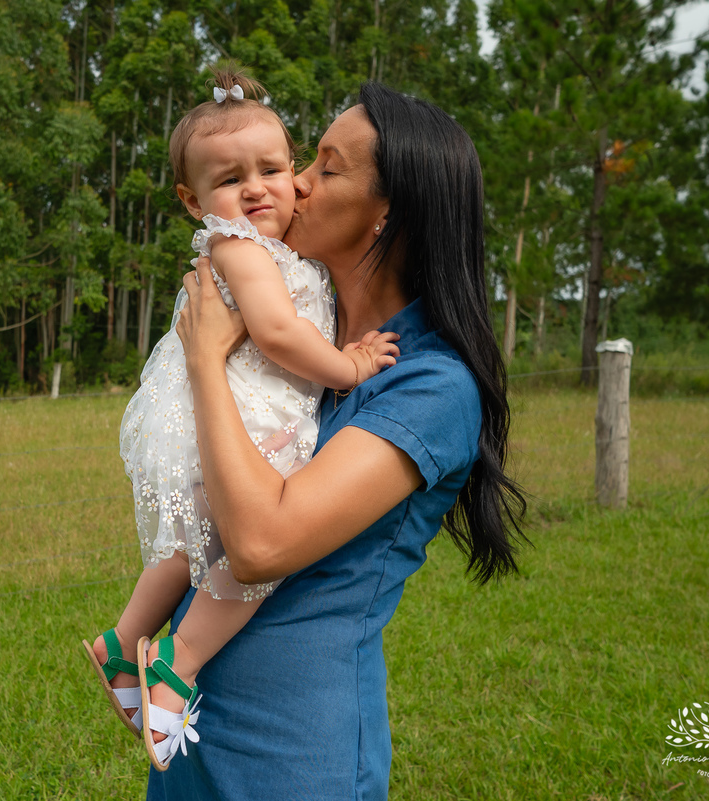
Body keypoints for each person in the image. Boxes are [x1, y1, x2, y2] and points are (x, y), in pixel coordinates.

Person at [147, 82, 529, 800]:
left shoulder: (431, 386)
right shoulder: (305, 340)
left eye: (325, 167)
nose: (292, 182)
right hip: (194, 722)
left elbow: (261, 542)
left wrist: (205, 360)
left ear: (387, 213)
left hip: (293, 749)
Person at [82, 68, 400, 771]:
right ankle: (180, 654)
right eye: (230, 179)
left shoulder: (277, 250)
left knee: (188, 542)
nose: (258, 188)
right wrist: (349, 364)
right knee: (246, 554)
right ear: (194, 202)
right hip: (247, 419)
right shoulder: (241, 249)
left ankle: (123, 640)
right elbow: (280, 335)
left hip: (222, 412)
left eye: (274, 169)